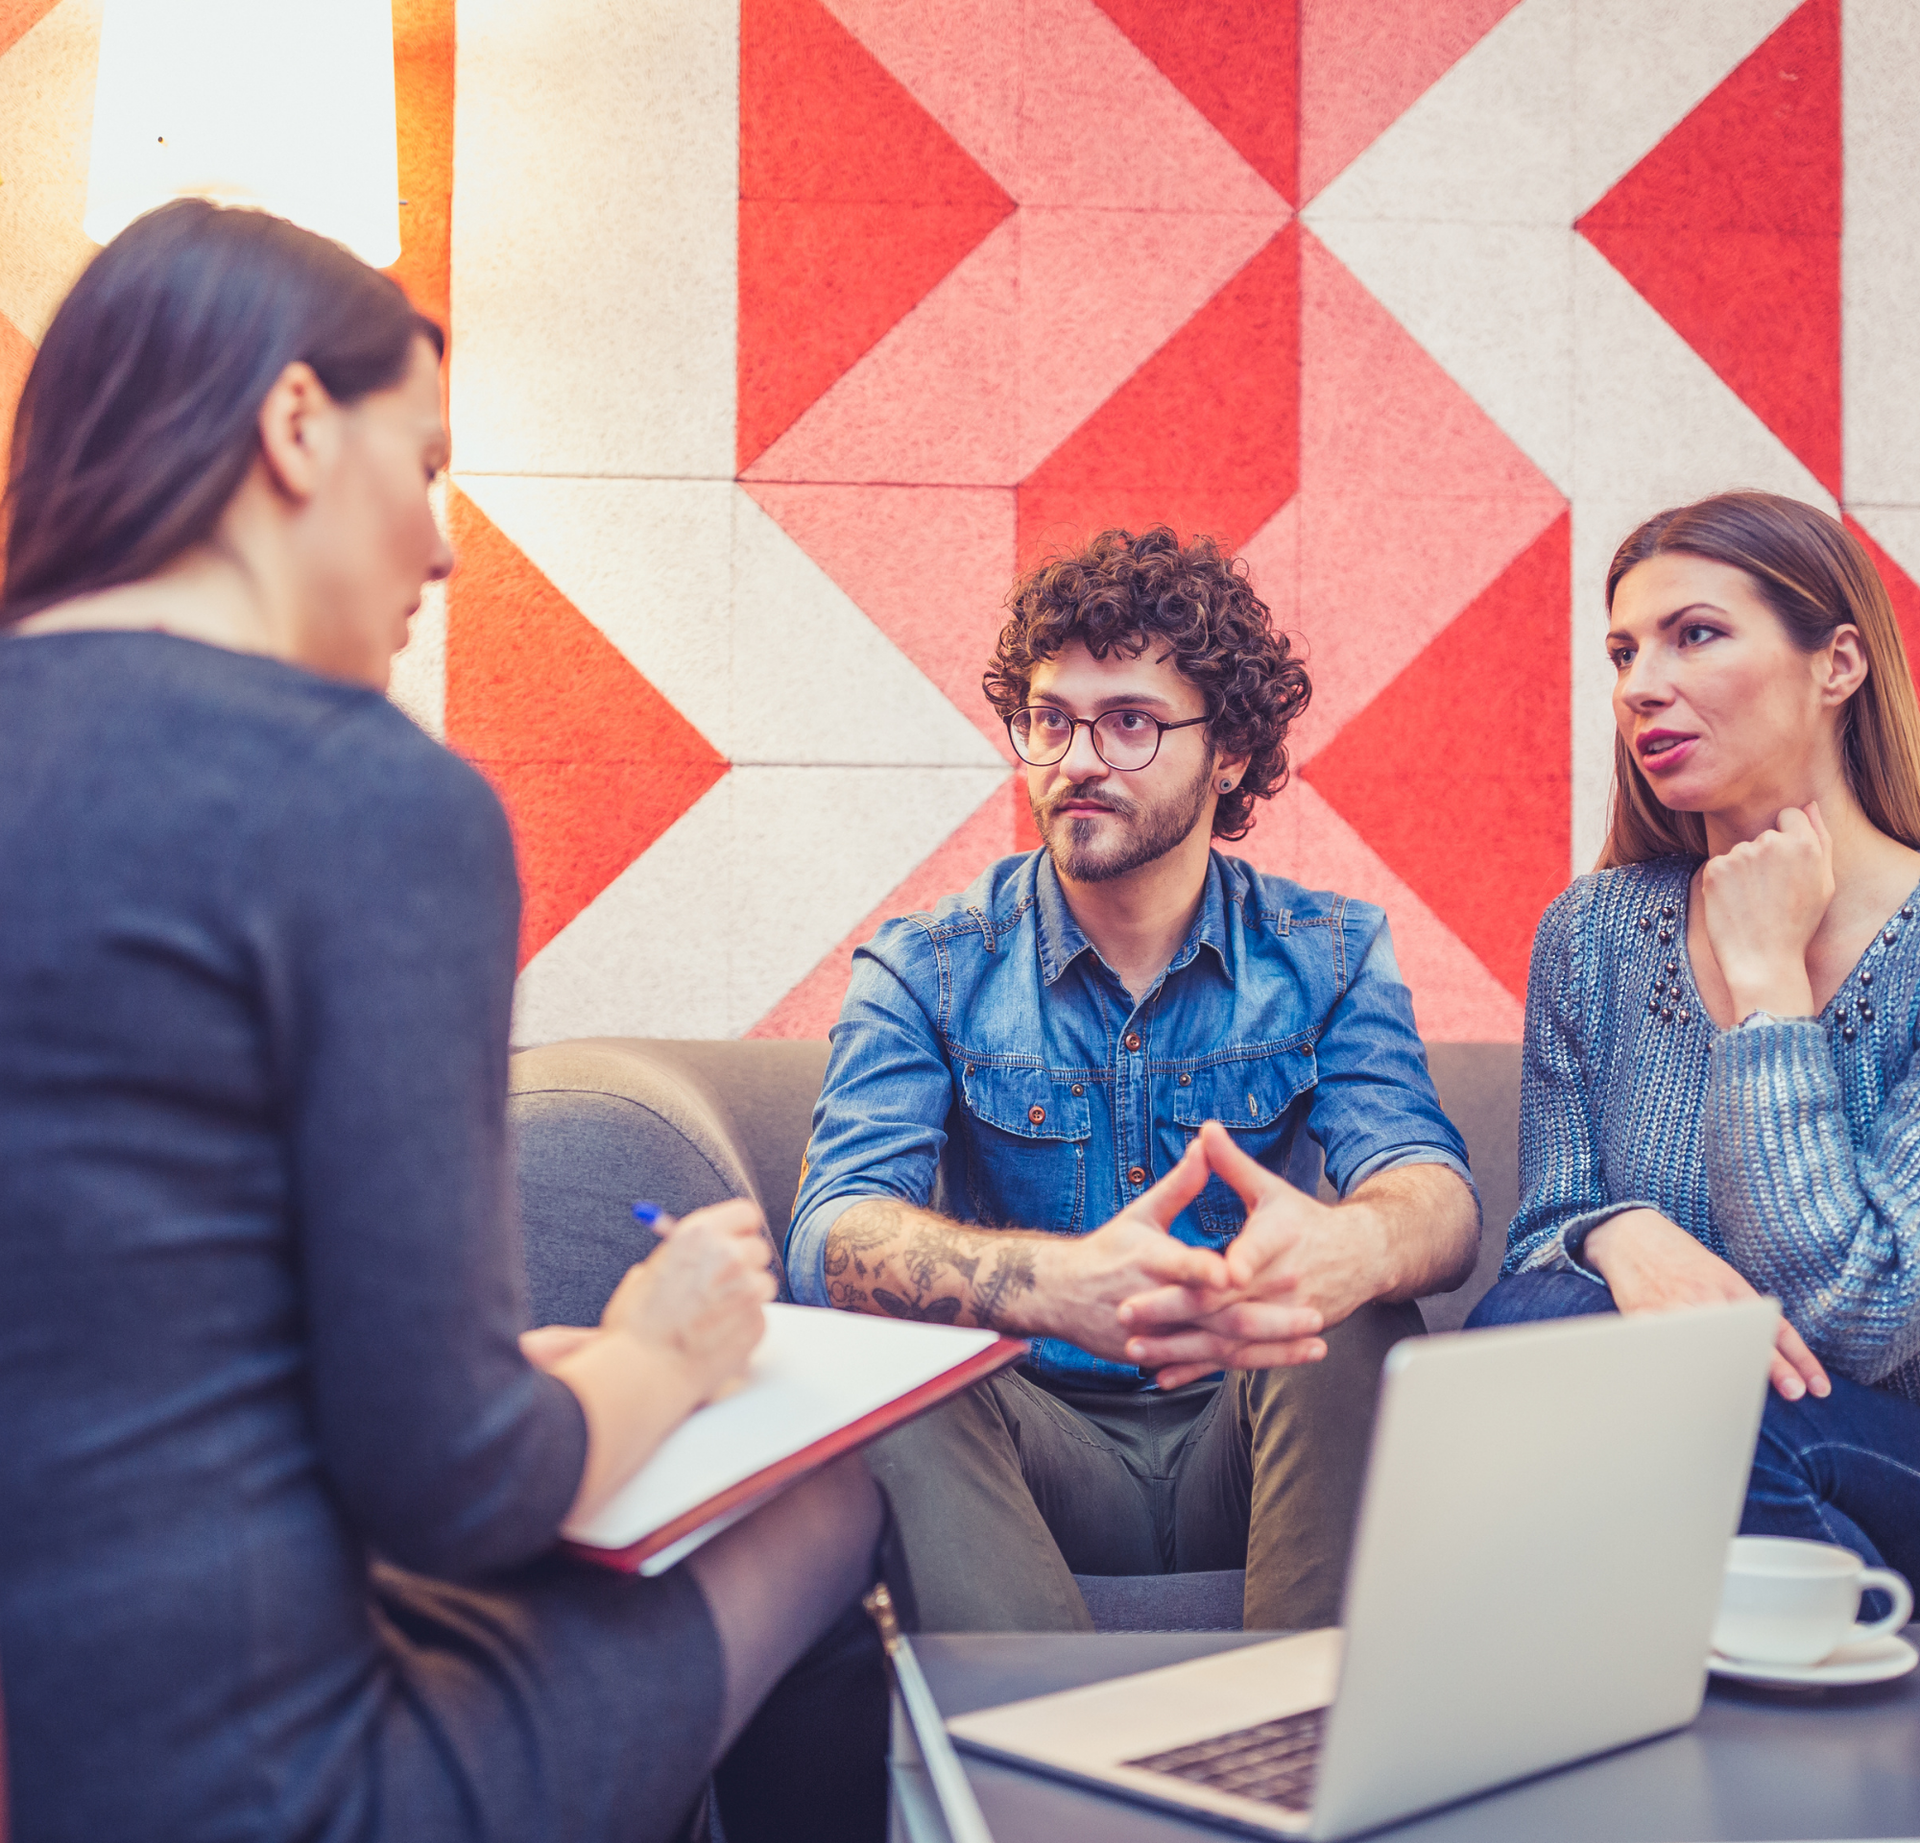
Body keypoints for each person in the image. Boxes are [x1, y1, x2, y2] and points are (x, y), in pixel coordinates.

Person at [0, 201, 886, 1843]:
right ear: (293, 423)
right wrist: (657, 1353)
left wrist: (514, 1370)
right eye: (422, 462)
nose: (442, 543)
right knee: (818, 1496)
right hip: (252, 1788)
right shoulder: (364, 800)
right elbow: (461, 1486)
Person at [787, 527, 1481, 1633]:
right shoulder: (927, 963)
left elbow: (1434, 1195)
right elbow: (829, 1234)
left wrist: (1354, 1243)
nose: (1076, 760)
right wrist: (1051, 1286)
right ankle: (1041, 1782)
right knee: (891, 1361)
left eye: (1131, 723)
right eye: (1051, 719)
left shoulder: (1331, 952)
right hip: (1028, 1451)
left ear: (1234, 753)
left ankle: (1305, 1762)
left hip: (1249, 1444)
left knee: (1352, 1312)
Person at [1468, 491, 1920, 1588]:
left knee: (1712, 1420)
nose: (1640, 686)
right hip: (1658, 1433)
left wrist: (1768, 987)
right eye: (1624, 651)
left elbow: (1862, 1320)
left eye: (1696, 635)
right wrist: (1620, 1237)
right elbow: (1545, 1233)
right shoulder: (1595, 931)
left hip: (1866, 1438)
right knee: (1515, 1331)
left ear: (1838, 664)